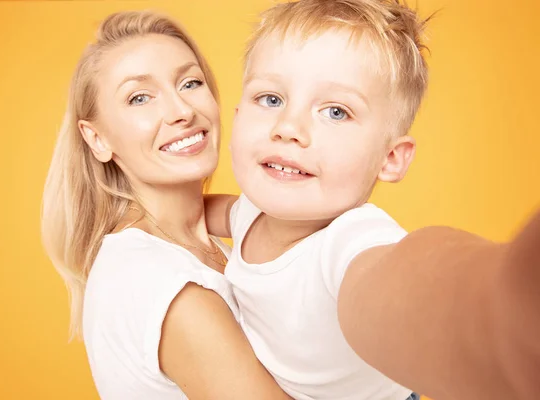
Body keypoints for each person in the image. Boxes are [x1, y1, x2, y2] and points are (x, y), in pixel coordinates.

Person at [205, 0, 540, 399]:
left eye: (335, 111)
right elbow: (212, 212)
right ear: (239, 114)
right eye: (271, 99)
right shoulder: (251, 212)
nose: (289, 127)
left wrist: (499, 307)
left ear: (390, 158)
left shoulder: (349, 242)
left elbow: (399, 282)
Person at [41, 10, 292, 400]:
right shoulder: (162, 282)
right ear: (97, 139)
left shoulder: (206, 245)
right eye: (139, 98)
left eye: (190, 82)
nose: (182, 111)